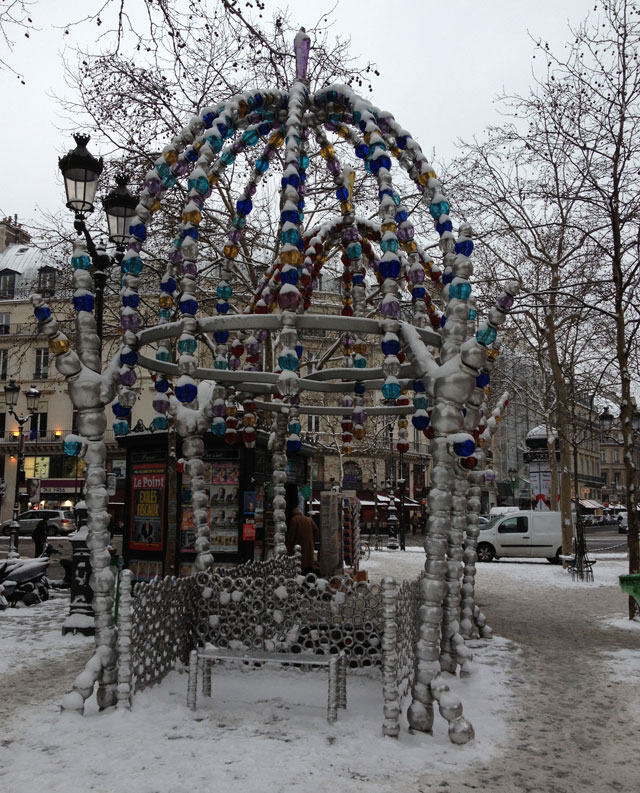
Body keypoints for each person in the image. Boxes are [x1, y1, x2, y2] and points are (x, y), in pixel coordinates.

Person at [286, 507, 319, 574]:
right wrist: (312, 540)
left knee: (300, 563)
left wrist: (288, 548)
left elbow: (291, 535)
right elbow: (316, 530)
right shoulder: (309, 519)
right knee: (308, 563)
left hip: (298, 547)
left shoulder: (294, 520)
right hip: (309, 546)